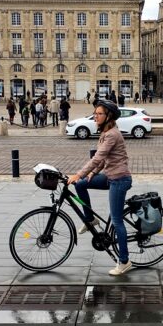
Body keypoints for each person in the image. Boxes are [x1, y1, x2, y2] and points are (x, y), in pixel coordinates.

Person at [67, 99, 133, 276]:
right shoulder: (105, 132)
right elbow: (103, 161)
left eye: (99, 113)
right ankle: (90, 220)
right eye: (95, 113)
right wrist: (92, 173)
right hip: (110, 176)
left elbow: (98, 157)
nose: (95, 116)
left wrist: (79, 174)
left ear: (108, 116)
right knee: (81, 185)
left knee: (117, 221)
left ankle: (124, 261)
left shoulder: (112, 134)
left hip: (119, 180)